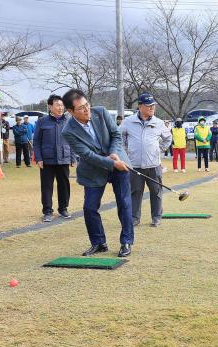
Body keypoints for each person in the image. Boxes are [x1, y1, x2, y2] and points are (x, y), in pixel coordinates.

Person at [61, 88, 134, 257]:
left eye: (87, 104)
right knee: (89, 207)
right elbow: (88, 155)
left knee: (124, 203)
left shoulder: (100, 112)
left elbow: (116, 134)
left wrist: (114, 152)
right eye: (81, 108)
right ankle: (98, 242)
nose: (87, 110)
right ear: (71, 111)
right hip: (93, 169)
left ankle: (126, 241)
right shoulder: (68, 131)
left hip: (119, 163)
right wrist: (111, 163)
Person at [120, 93, 172, 228]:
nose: (151, 108)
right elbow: (119, 138)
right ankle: (134, 218)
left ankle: (156, 217)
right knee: (135, 192)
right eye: (148, 106)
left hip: (154, 165)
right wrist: (125, 153)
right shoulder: (128, 122)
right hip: (134, 166)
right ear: (140, 106)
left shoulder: (159, 123)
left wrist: (158, 149)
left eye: (153, 105)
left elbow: (168, 138)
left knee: (156, 192)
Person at [34, 94, 74, 223]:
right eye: (57, 105)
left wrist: (73, 157)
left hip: (64, 158)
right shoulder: (42, 122)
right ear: (50, 106)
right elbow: (36, 142)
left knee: (64, 185)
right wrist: (38, 158)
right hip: (47, 160)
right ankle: (47, 211)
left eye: (62, 105)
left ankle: (63, 208)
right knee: (46, 186)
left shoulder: (69, 121)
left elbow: (73, 140)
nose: (60, 108)